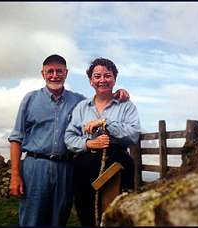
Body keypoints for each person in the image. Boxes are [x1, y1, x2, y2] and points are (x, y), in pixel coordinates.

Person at [8, 54, 130, 226]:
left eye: (59, 71)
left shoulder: (79, 101)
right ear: (43, 74)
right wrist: (15, 175)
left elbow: (101, 102)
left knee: (59, 219)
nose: (54, 75)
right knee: (32, 220)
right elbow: (16, 138)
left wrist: (117, 94)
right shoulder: (30, 99)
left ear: (66, 73)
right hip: (35, 167)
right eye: (50, 71)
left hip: (65, 168)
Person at [64, 57, 141, 226]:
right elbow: (69, 138)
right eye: (97, 76)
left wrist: (105, 123)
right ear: (91, 81)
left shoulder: (126, 106)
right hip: (85, 166)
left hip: (117, 164)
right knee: (87, 214)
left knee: (117, 214)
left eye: (107, 75)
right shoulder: (81, 108)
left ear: (114, 79)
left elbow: (133, 135)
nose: (102, 80)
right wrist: (88, 144)